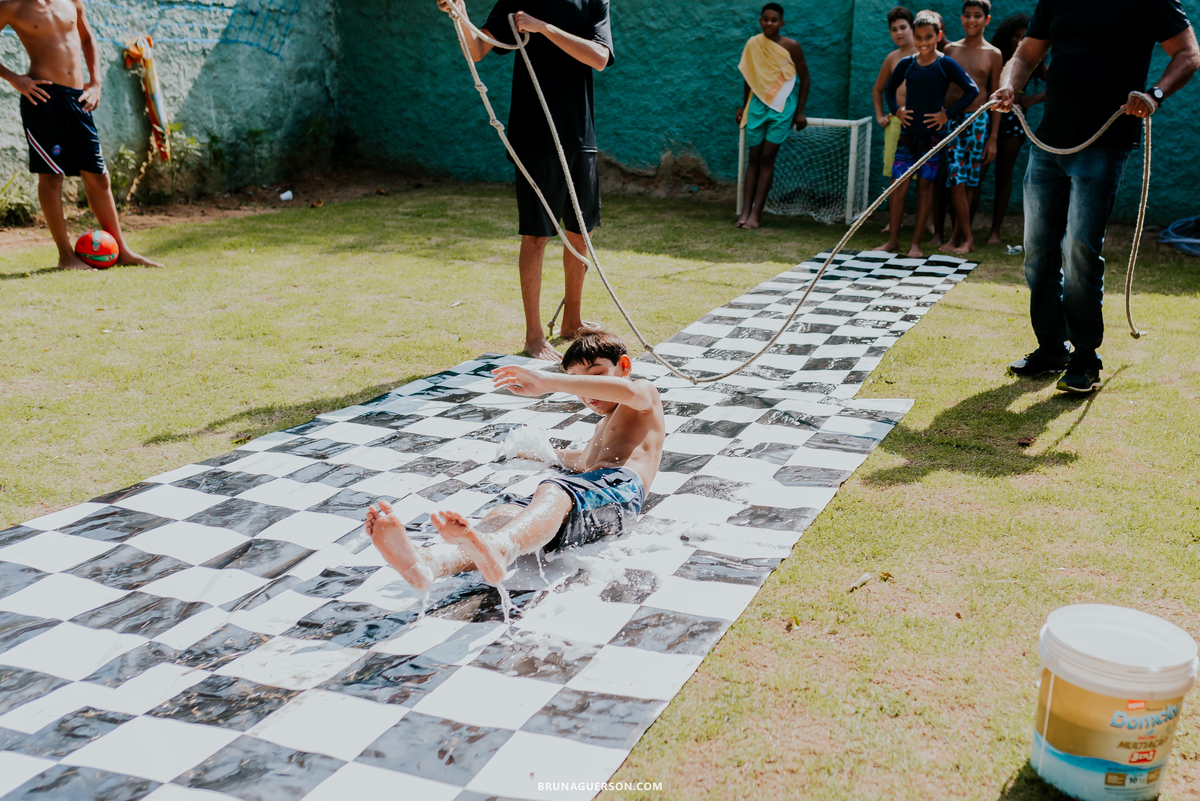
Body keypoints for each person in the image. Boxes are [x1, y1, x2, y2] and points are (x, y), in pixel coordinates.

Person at [996, 0, 1198, 393]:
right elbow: (1027, 52)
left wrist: (1154, 93)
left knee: (1079, 248)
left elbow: (1189, 53)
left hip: (1105, 142)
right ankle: (1051, 348)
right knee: (1037, 250)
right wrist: (1008, 83)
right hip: (1048, 142)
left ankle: (1085, 358)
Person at [365, 327, 665, 589]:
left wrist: (550, 382)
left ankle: (499, 548)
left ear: (623, 366)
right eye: (577, 383)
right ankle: (432, 563)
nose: (587, 391)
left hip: (623, 491)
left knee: (554, 489)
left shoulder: (642, 394)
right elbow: (582, 461)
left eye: (596, 376)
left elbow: (626, 391)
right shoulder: (604, 426)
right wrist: (541, 452)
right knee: (507, 511)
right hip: (598, 504)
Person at [436, 0, 614, 363]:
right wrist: (461, 14)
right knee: (536, 235)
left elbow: (599, 56)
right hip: (534, 136)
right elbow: (480, 48)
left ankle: (572, 323)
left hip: (581, 135)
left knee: (582, 233)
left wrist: (543, 27)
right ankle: (534, 336)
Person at [0, 0, 159, 271]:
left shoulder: (72, 1)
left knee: (99, 177)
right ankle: (66, 256)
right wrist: (15, 78)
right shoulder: (12, 6)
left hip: (79, 100)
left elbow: (87, 39)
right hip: (43, 99)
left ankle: (122, 251)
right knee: (51, 178)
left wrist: (96, 82)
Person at [877, 11, 978, 257]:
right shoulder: (906, 64)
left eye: (929, 37)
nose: (923, 42)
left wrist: (948, 114)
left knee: (924, 188)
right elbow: (889, 90)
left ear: (938, 36)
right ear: (914, 35)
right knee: (897, 186)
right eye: (919, 37)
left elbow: (971, 90)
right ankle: (892, 241)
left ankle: (916, 244)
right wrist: (897, 110)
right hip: (908, 137)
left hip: (933, 140)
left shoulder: (945, 64)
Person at [734, 2, 810, 229]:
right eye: (765, 19)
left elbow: (805, 79)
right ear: (760, 21)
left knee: (768, 157)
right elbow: (749, 77)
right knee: (753, 157)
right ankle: (745, 213)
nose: (769, 23)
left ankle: (756, 214)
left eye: (774, 20)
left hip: (781, 106)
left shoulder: (792, 46)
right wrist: (744, 106)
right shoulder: (753, 44)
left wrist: (800, 112)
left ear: (781, 23)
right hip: (756, 105)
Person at [940, 0, 1003, 254]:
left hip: (978, 123)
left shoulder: (993, 54)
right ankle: (967, 238)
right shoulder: (949, 49)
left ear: (986, 20)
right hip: (952, 122)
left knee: (969, 182)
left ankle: (959, 239)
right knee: (956, 178)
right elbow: (942, 87)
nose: (971, 20)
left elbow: (996, 98)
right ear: (961, 18)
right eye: (967, 15)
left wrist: (993, 138)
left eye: (977, 16)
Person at [983, 14, 1045, 244]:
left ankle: (994, 233)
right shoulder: (995, 55)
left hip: (1014, 122)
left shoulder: (1033, 62)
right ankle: (965, 229)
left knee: (1004, 174)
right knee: (978, 173)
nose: (1020, 40)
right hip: (989, 118)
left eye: (1024, 36)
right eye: (1016, 35)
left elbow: (1059, 83)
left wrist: (1029, 99)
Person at [873, 6, 917, 235]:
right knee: (895, 174)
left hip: (921, 123)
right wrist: (882, 114)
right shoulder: (892, 58)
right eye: (893, 29)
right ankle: (893, 222)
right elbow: (878, 89)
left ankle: (926, 221)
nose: (899, 33)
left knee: (925, 174)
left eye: (903, 27)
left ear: (912, 28)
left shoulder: (925, 54)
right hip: (896, 123)